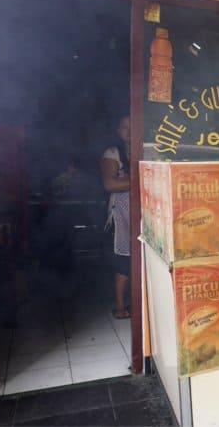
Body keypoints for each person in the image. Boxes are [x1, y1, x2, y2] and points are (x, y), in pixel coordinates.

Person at [101, 115, 131, 319]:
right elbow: (110, 184)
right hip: (121, 214)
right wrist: (138, 178)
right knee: (124, 260)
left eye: (132, 125)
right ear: (118, 131)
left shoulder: (147, 149)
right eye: (123, 126)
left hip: (144, 209)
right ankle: (120, 307)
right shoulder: (113, 153)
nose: (128, 130)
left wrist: (128, 180)